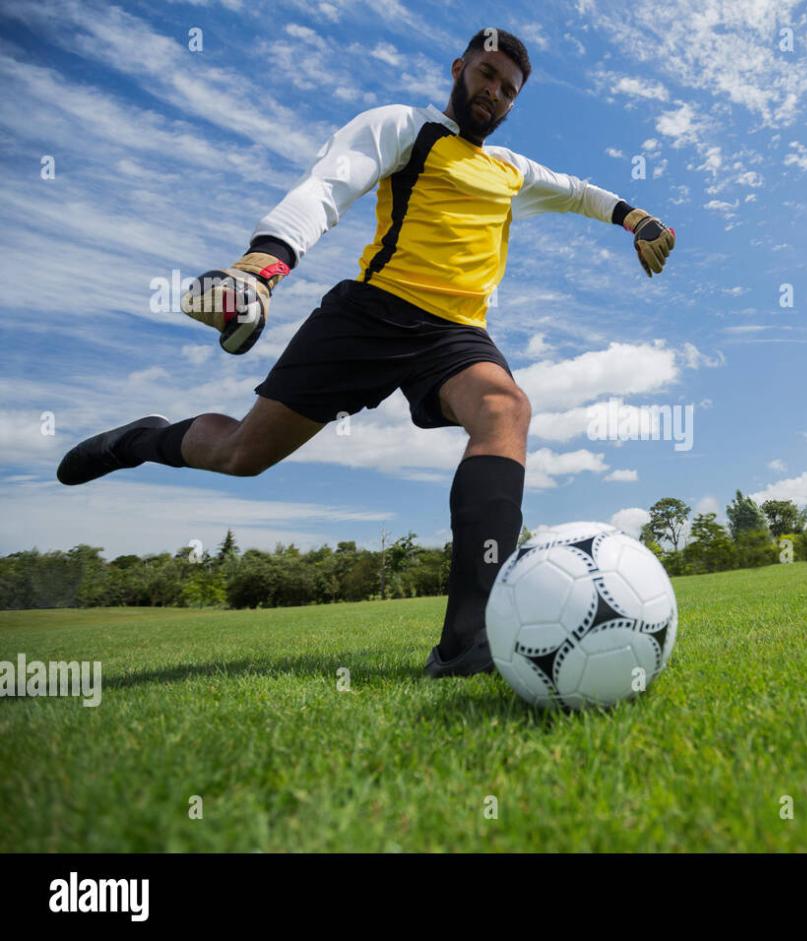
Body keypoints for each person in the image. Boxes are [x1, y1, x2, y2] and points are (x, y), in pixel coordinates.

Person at [55, 27, 677, 678]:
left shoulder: (514, 172)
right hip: (371, 313)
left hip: (454, 332)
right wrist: (262, 266)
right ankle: (140, 439)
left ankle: (469, 641)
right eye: (486, 75)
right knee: (242, 453)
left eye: (507, 88)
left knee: (506, 409)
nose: (493, 91)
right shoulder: (407, 127)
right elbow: (328, 186)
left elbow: (583, 193)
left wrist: (640, 222)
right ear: (460, 68)